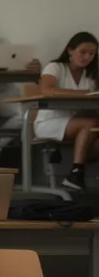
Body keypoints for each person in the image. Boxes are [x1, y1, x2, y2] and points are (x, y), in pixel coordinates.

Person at [36, 32, 99, 190]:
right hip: (50, 121)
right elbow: (46, 90)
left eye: (92, 53)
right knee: (91, 124)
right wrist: (84, 94)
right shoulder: (55, 67)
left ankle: (82, 174)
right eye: (82, 52)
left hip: (79, 122)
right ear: (70, 50)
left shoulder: (91, 74)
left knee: (94, 129)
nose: (87, 57)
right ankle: (76, 172)